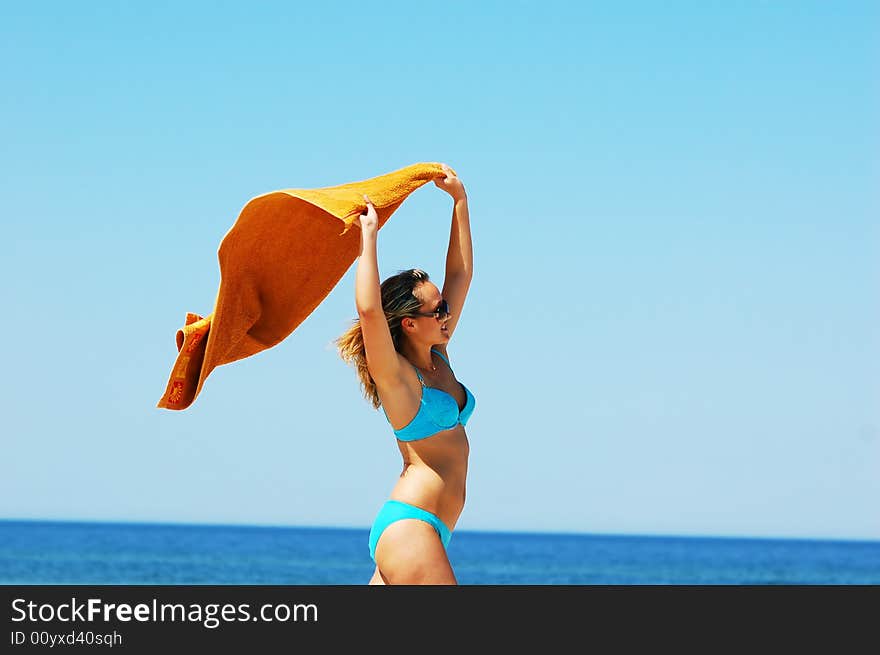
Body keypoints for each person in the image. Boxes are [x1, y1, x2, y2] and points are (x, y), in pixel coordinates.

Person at [334, 163, 473, 585]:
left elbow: (460, 274)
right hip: (412, 527)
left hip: (429, 531)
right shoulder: (396, 378)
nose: (447, 313)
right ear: (410, 323)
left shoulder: (439, 354)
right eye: (438, 310)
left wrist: (460, 202)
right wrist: (368, 239)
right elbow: (370, 310)